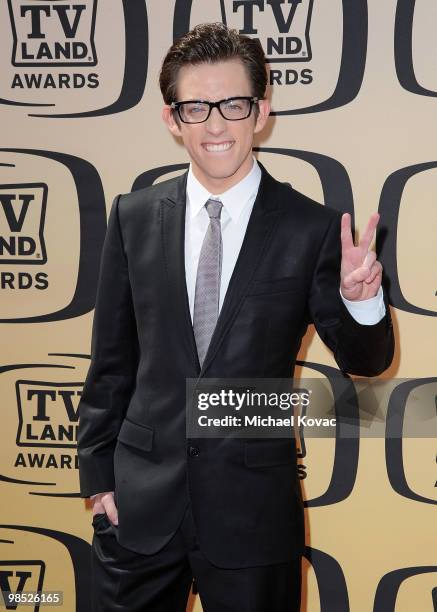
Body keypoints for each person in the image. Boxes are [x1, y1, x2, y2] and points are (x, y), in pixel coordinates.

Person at [77, 22, 394, 612]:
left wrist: (361, 299)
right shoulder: (133, 217)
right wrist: (98, 480)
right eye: (196, 107)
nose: (215, 124)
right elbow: (111, 366)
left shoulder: (311, 228)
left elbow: (367, 361)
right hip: (139, 512)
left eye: (232, 104)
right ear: (172, 119)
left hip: (253, 513)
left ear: (261, 112)